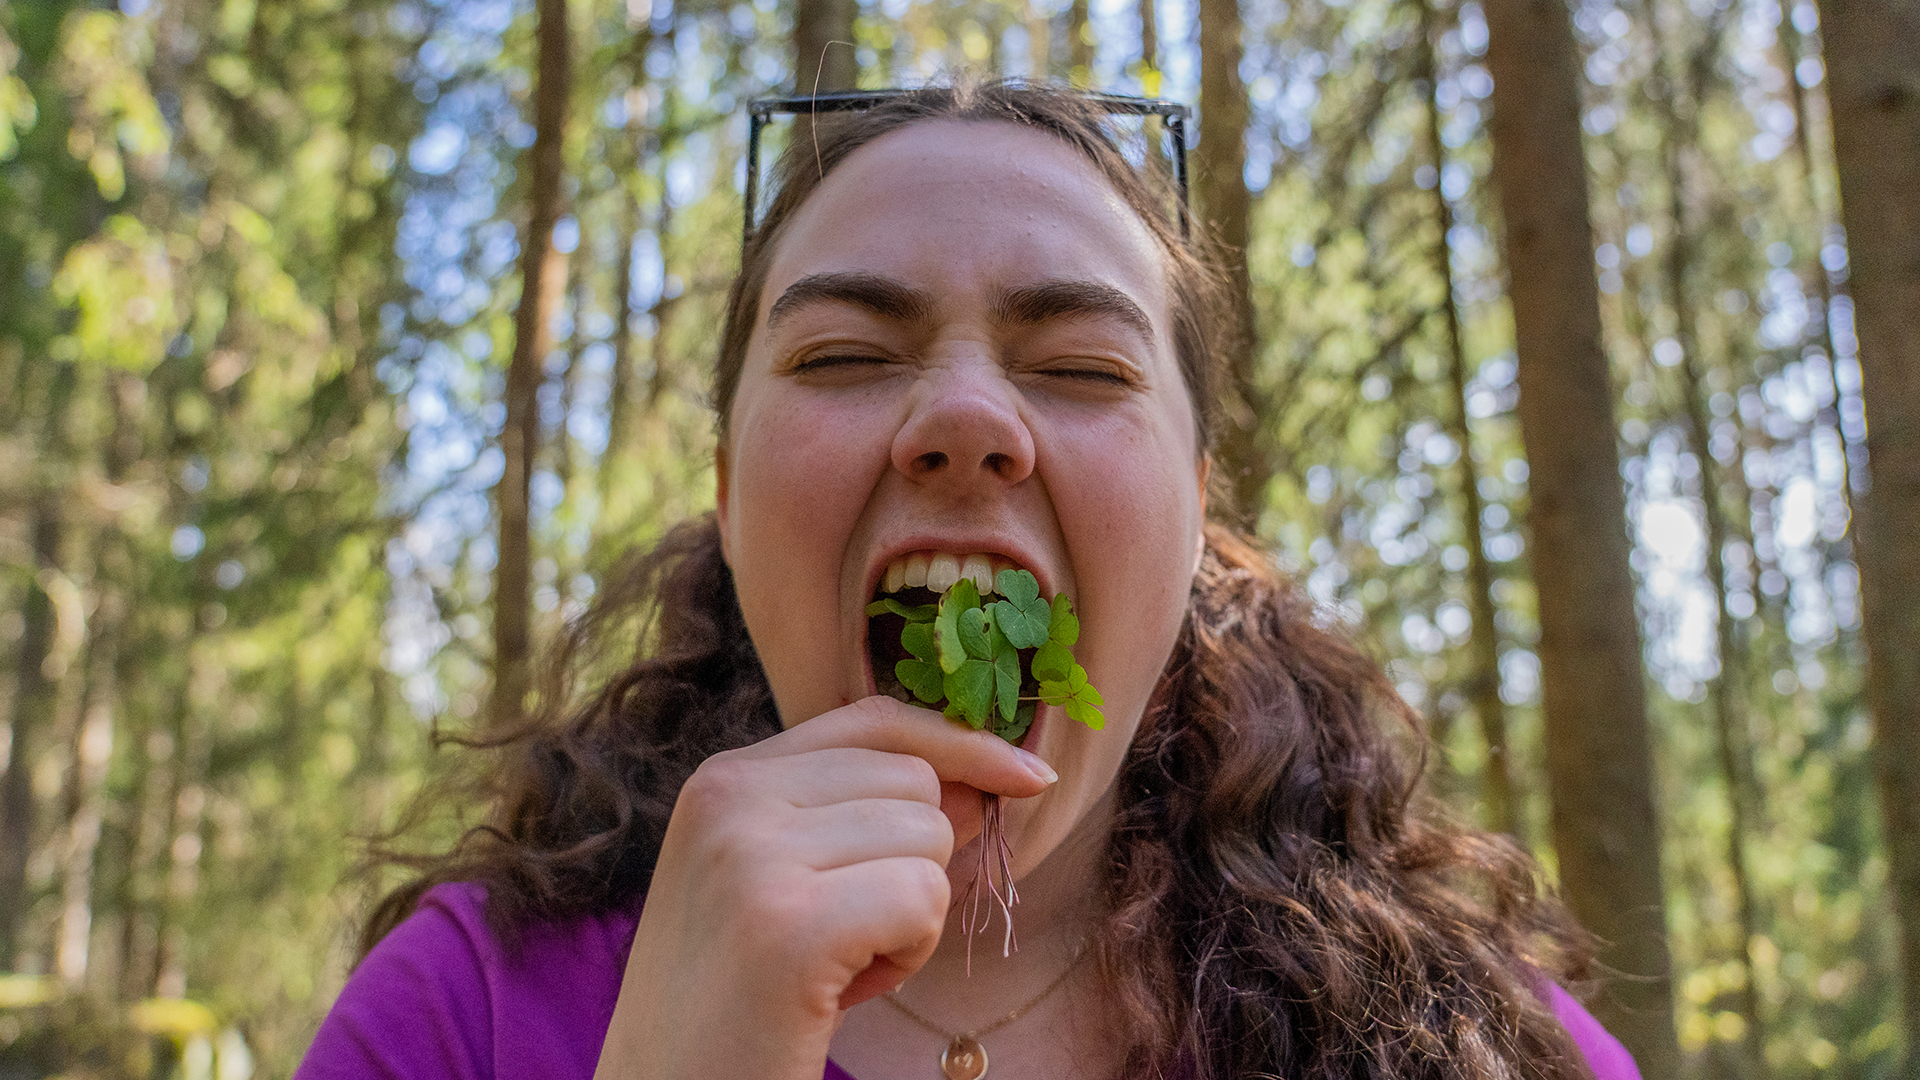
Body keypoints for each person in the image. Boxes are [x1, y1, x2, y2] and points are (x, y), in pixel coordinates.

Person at [296, 82, 1642, 1080]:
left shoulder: (1478, 1043)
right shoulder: (460, 1013)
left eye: (1082, 367)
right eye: (842, 355)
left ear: (1194, 509)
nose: (963, 417)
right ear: (728, 495)